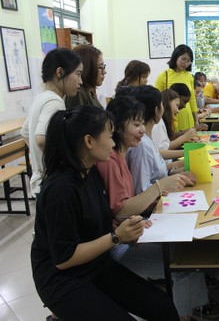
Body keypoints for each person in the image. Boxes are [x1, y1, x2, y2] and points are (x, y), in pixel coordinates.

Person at [31, 105, 180, 321]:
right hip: (62, 279)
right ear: (89, 141)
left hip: (95, 264)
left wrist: (129, 228)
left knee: (162, 307)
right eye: (109, 137)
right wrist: (117, 236)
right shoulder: (60, 189)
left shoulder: (89, 172)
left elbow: (98, 218)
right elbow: (64, 259)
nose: (113, 143)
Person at [125, 86, 219, 321]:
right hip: (149, 218)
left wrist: (176, 169)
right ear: (158, 109)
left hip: (160, 206)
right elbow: (141, 191)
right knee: (188, 249)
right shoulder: (140, 147)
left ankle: (197, 301)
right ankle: (188, 311)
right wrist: (166, 190)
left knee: (200, 222)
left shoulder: (146, 140)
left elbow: (157, 172)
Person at [96, 95, 191, 223]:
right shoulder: (110, 160)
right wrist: (160, 186)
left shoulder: (121, 155)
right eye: (136, 124)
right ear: (117, 127)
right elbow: (120, 212)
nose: (142, 130)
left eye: (142, 123)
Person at [21, 47, 83, 197]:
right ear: (60, 72)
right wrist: (61, 161)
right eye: (78, 74)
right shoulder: (55, 102)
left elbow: (25, 132)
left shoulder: (41, 97)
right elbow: (41, 139)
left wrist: (39, 159)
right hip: (49, 183)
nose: (80, 81)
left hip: (40, 180)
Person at [154, 44, 198, 131]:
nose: (185, 63)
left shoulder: (189, 76)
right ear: (176, 57)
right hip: (170, 116)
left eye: (189, 61)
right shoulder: (164, 75)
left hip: (187, 114)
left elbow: (192, 99)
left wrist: (196, 120)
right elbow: (156, 98)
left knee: (188, 141)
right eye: (183, 59)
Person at [65, 45, 106, 109]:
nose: (104, 72)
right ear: (88, 68)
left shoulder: (89, 91)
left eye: (104, 67)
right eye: (100, 67)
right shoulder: (78, 93)